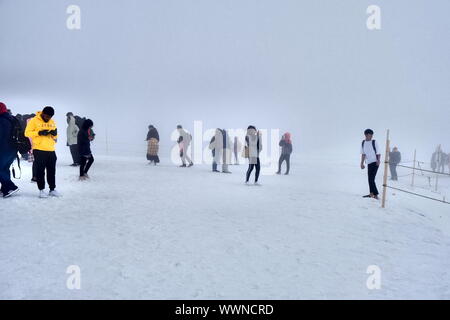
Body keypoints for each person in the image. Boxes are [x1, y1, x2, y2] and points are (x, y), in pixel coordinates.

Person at [25, 106, 60, 198]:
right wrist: (39, 133)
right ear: (43, 113)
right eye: (47, 116)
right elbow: (27, 133)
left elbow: (55, 137)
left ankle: (52, 189)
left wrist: (55, 134)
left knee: (52, 171)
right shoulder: (34, 120)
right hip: (39, 149)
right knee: (40, 171)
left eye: (50, 117)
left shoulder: (52, 122)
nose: (48, 118)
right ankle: (41, 190)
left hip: (51, 150)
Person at [0, 102, 20, 198]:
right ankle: (4, 189)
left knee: (0, 168)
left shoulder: (2, 120)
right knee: (4, 168)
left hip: (4, 149)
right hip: (12, 149)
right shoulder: (11, 118)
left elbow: (1, 137)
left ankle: (10, 187)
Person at [360, 129, 381, 199]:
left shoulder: (374, 142)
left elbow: (378, 152)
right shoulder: (363, 143)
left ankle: (376, 194)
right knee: (369, 179)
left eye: (372, 135)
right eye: (370, 135)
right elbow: (363, 154)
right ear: (366, 135)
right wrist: (362, 163)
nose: (371, 136)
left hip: (375, 162)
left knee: (371, 178)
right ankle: (371, 193)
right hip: (369, 162)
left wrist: (378, 160)